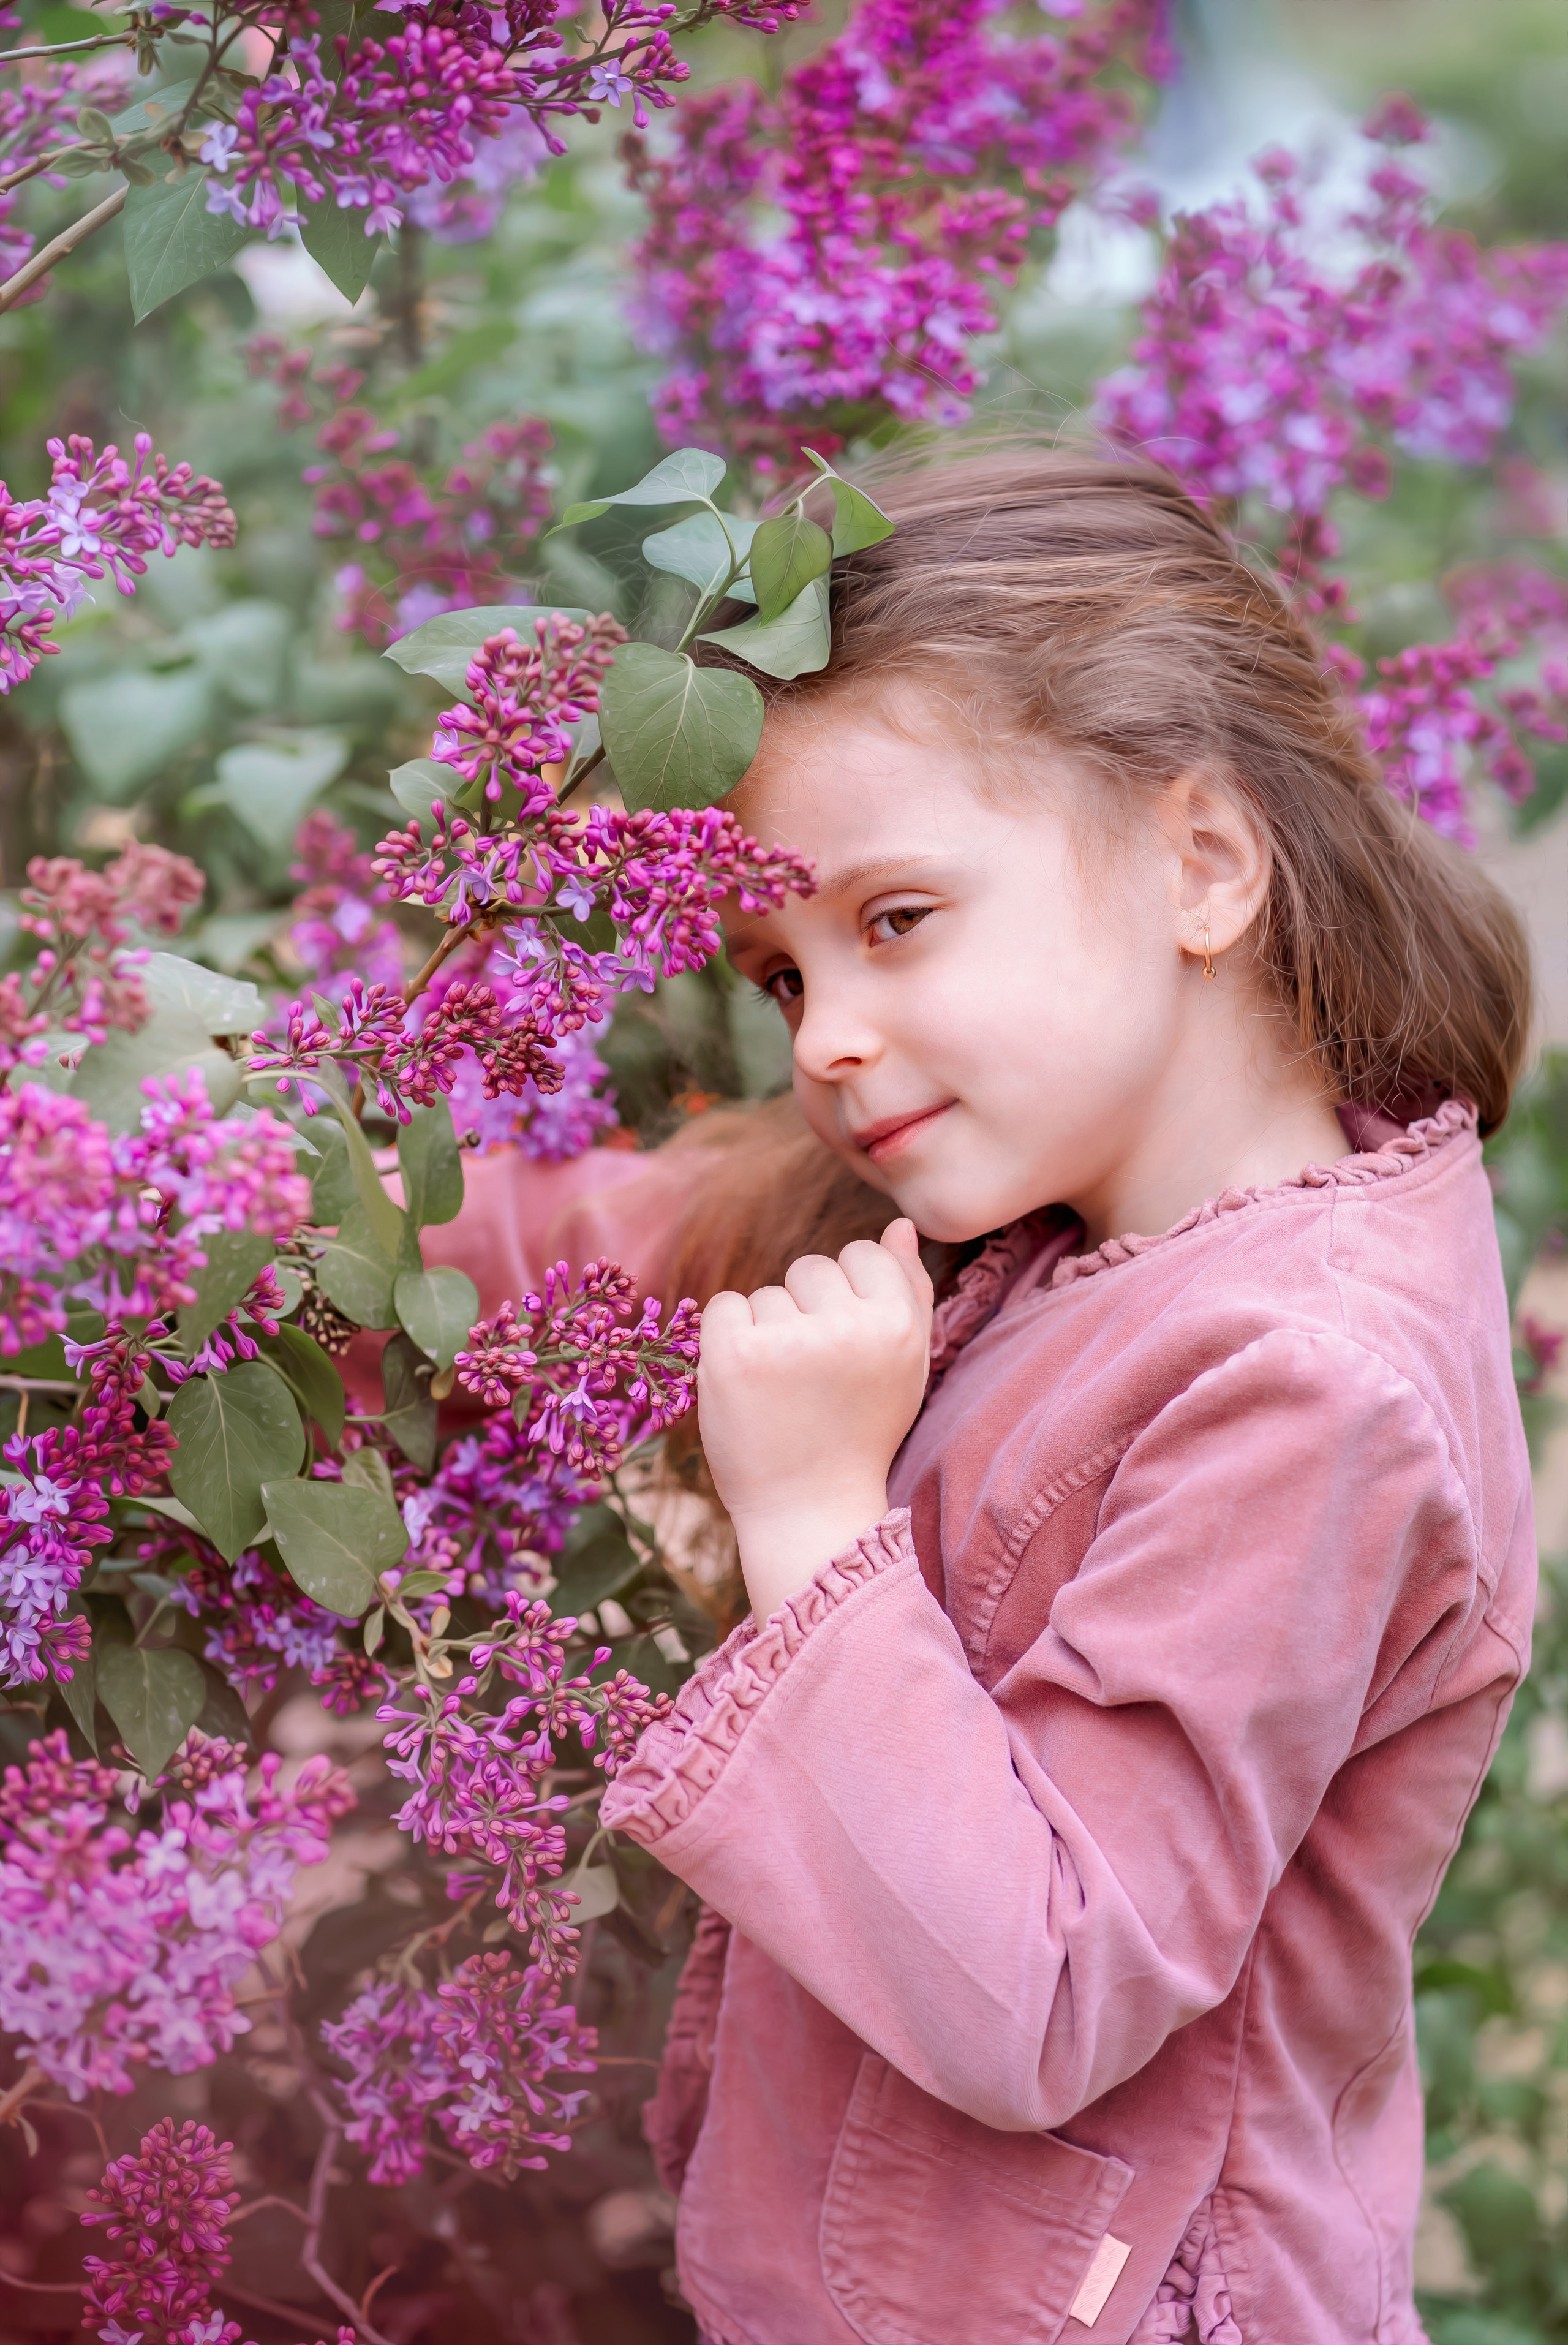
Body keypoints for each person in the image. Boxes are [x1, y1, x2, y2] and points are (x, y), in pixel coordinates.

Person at [584, 446, 1538, 2345]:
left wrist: (810, 1523)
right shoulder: (1084, 1230)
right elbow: (586, 1236)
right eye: (780, 974)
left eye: (900, 918)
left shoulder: (1304, 1383)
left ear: (1202, 860)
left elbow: (1042, 1987)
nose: (830, 1035)